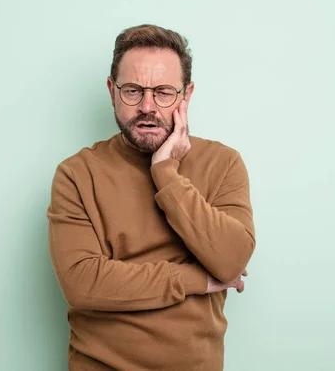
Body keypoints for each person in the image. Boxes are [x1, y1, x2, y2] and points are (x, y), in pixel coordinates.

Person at [47, 24, 256, 370]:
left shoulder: (223, 163)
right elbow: (83, 283)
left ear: (186, 96)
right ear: (112, 91)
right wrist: (196, 280)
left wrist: (165, 173)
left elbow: (231, 260)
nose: (147, 107)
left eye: (163, 92)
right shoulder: (76, 174)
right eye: (132, 91)